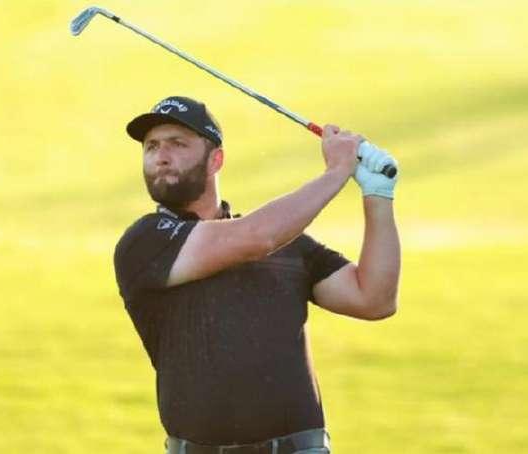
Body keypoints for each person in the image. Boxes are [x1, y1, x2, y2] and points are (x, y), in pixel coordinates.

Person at [113, 95, 400, 454]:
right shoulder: (146, 242)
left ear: (215, 159)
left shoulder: (286, 242)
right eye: (152, 146)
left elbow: (374, 299)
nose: (161, 156)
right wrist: (336, 172)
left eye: (177, 144)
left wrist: (378, 194)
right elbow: (256, 238)